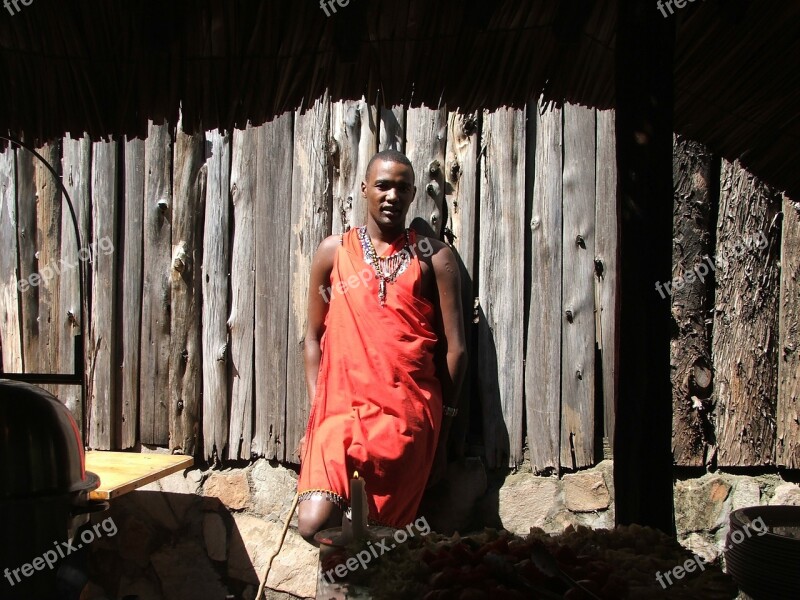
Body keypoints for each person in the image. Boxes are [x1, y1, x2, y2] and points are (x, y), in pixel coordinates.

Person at [296, 149, 467, 543]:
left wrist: (444, 431)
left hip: (406, 417)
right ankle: (378, 551)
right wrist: (315, 414)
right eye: (383, 186)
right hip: (339, 412)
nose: (392, 195)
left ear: (412, 196)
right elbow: (312, 337)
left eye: (403, 188)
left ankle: (374, 561)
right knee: (313, 522)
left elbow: (456, 351)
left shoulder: (435, 258)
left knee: (378, 530)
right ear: (364, 189)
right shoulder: (333, 252)